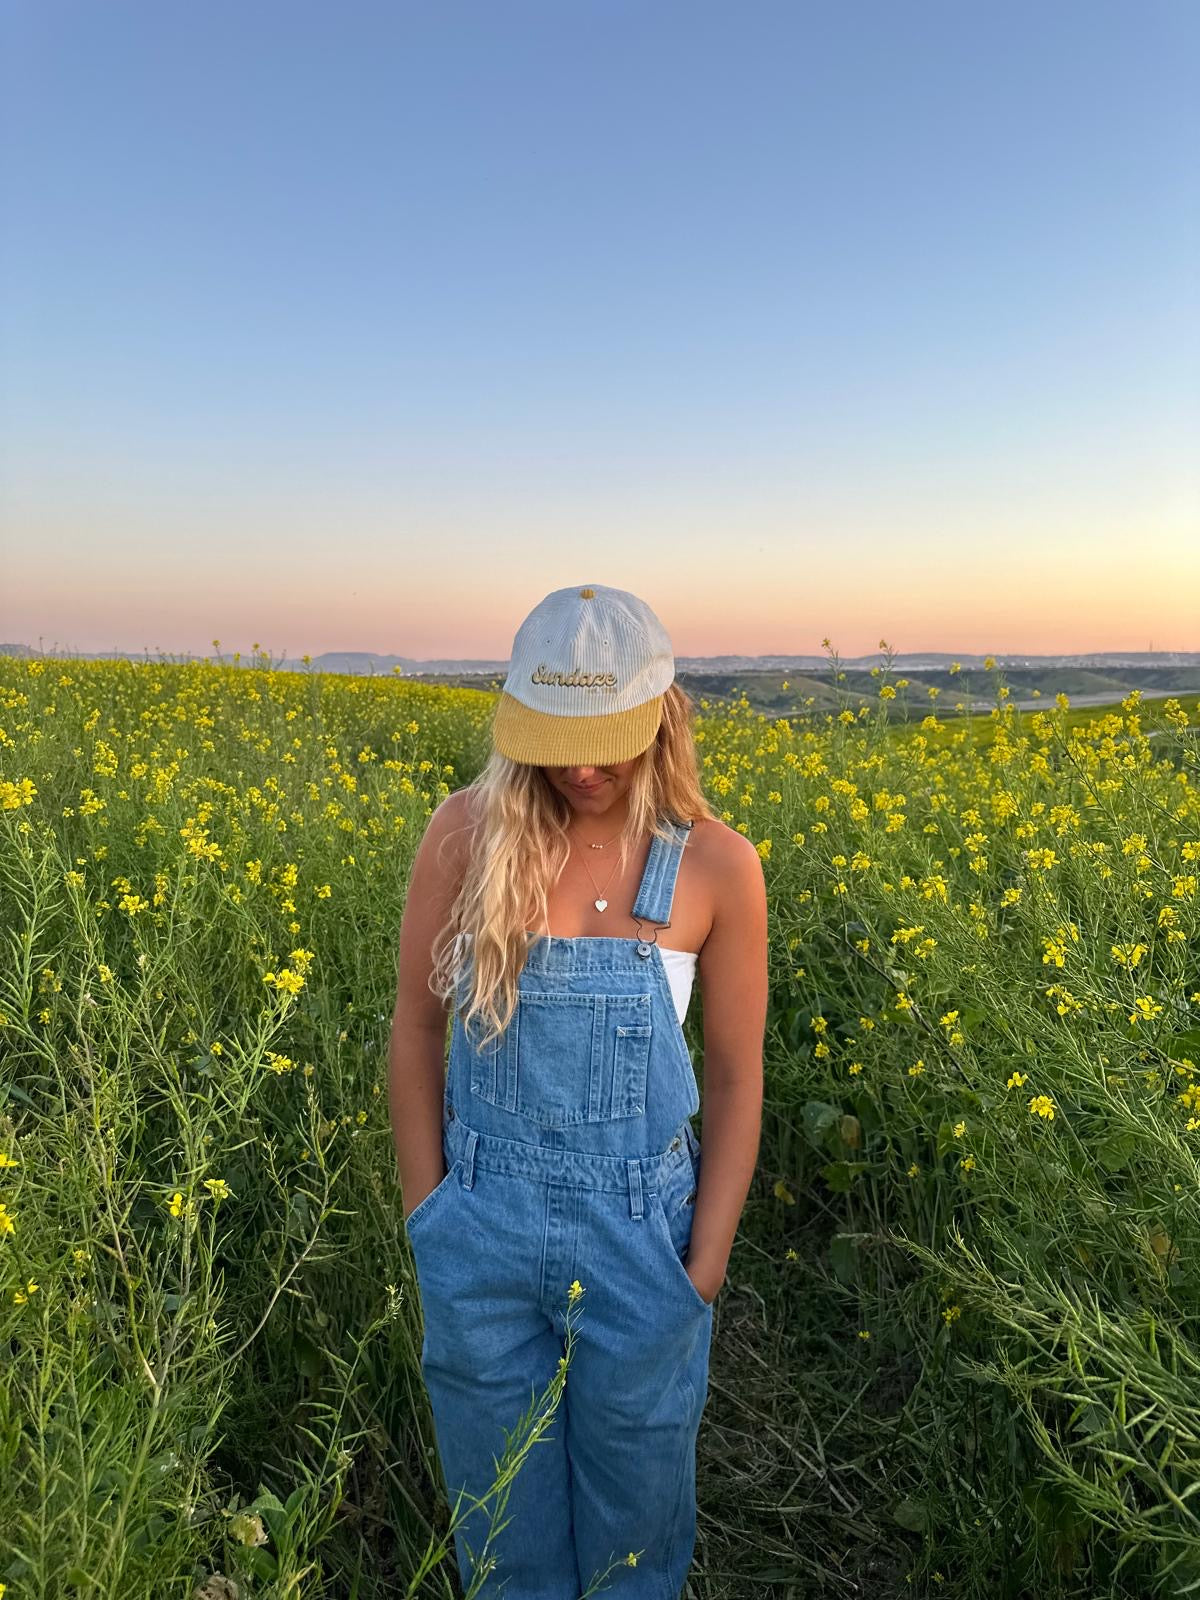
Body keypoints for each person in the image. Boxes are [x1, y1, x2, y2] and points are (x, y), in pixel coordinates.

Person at [388, 583, 767, 1598]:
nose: (585, 766)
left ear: (663, 715)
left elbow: (736, 1074)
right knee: (500, 1530)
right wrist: (430, 1212)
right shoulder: (464, 836)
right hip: (479, 1228)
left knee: (634, 1538)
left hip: (645, 1242)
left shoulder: (719, 868)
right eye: (559, 738)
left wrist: (706, 1263)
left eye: (609, 736)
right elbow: (414, 1029)